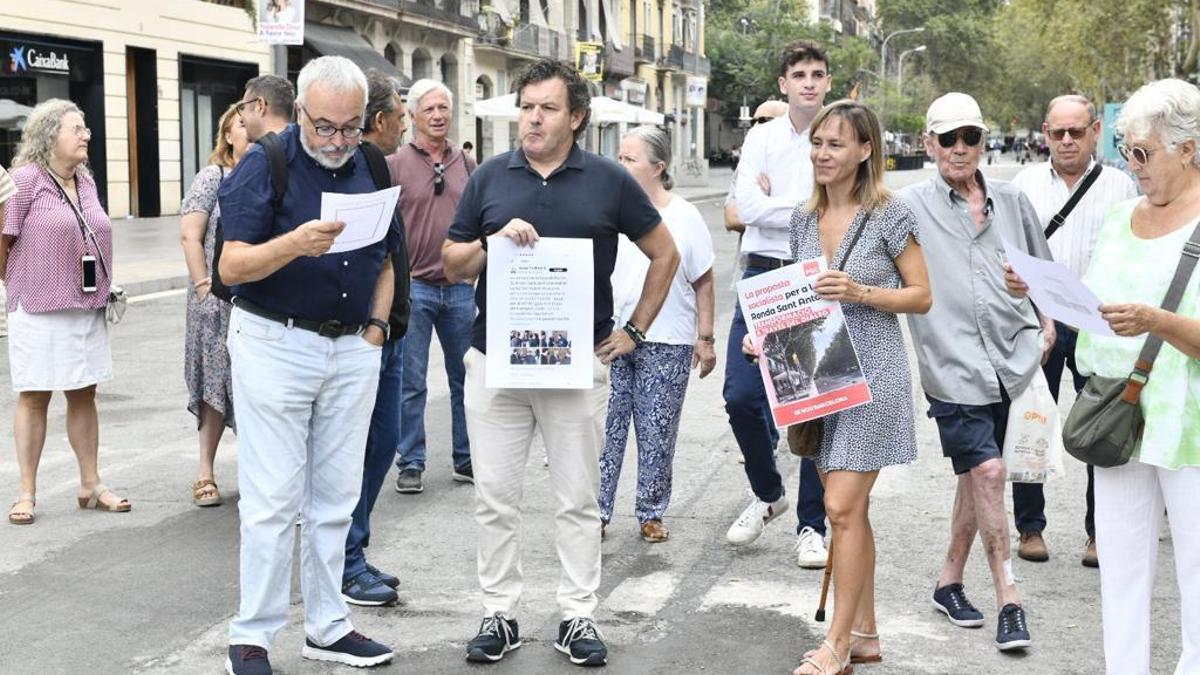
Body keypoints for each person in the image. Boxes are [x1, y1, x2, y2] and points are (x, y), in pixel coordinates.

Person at [442, 58, 679, 667]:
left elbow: (665, 253)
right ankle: (500, 613)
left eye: (547, 108)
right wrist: (490, 245)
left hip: (575, 366)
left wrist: (634, 330)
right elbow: (451, 262)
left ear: (575, 117)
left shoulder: (608, 180)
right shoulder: (490, 176)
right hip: (495, 363)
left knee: (577, 499)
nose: (533, 119)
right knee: (495, 496)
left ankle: (578, 616)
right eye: (526, 107)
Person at [1009, 78, 1200, 675]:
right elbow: (1092, 308)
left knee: (1195, 576)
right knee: (1120, 573)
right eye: (1127, 152)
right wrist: (1039, 288)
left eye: (1143, 153)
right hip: (1117, 412)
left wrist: (1159, 321)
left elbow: (1161, 322)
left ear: (1189, 148)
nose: (1131, 165)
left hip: (1186, 427)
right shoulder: (1120, 219)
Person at [217, 56, 398, 675]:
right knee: (272, 499)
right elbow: (230, 268)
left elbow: (388, 257)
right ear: (299, 114)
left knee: (335, 498)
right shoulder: (263, 164)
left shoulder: (370, 162)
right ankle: (253, 636)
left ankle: (328, 626)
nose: (339, 142)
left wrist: (376, 329)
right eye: (326, 127)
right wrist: (295, 243)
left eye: (351, 128)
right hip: (276, 341)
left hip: (351, 347)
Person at [744, 99, 931, 675]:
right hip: (818, 375)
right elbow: (798, 298)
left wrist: (860, 292)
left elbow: (921, 296)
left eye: (836, 144)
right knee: (851, 514)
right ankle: (867, 633)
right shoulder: (802, 218)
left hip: (873, 376)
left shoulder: (890, 216)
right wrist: (766, 338)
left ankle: (838, 643)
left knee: (839, 507)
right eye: (818, 143)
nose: (823, 153)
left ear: (865, 151)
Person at [898, 92, 1054, 651]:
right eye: (948, 138)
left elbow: (1042, 275)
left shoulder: (1011, 201)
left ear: (983, 142)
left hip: (1013, 361)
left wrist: (1043, 314)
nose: (959, 149)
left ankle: (948, 582)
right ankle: (1009, 597)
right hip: (951, 365)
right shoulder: (906, 206)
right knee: (988, 473)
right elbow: (850, 260)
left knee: (974, 476)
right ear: (928, 143)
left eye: (970, 138)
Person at [1010, 94, 1139, 567]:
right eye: (1057, 132)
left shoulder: (1121, 188)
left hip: (1098, 325)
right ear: (1044, 132)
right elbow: (1006, 249)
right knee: (1030, 423)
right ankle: (1029, 527)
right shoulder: (1023, 184)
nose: (1066, 140)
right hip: (1036, 322)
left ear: (1095, 130)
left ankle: (1098, 533)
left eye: (1076, 131)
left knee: (1101, 429)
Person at [725, 41, 832, 570]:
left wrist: (774, 206)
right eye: (798, 74)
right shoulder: (762, 137)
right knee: (741, 397)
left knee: (810, 406)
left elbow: (836, 211)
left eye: (817, 74)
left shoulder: (839, 137)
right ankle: (769, 493)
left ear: (828, 82)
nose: (808, 82)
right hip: (761, 272)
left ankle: (812, 525)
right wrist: (805, 206)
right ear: (784, 83)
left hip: (810, 274)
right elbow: (745, 207)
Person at [3, 99, 131, 526]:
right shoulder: (24, 181)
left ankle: (90, 484)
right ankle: (27, 492)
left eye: (86, 128)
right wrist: (18, 284)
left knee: (84, 394)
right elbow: (2, 242)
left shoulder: (86, 181)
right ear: (48, 136)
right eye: (76, 128)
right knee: (35, 395)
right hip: (38, 306)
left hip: (84, 305)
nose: (85, 135)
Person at [600, 125, 717, 543]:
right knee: (604, 430)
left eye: (630, 159)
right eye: (621, 157)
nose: (621, 165)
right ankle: (597, 510)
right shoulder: (608, 209)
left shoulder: (684, 215)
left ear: (658, 167)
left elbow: (703, 279)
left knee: (657, 432)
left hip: (667, 340)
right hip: (610, 338)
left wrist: (705, 338)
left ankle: (650, 511)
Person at [341, 68, 410, 607]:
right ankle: (345, 563)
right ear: (381, 119)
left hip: (388, 331)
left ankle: (355, 552)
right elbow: (365, 255)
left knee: (382, 443)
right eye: (402, 115)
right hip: (368, 334)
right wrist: (372, 329)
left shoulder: (376, 164)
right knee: (357, 452)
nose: (407, 125)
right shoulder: (357, 163)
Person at [389, 78, 478, 495]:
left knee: (467, 378)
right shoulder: (395, 165)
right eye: (429, 109)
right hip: (415, 288)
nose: (438, 115)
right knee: (411, 381)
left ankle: (465, 458)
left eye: (444, 108)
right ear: (412, 116)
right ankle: (412, 461)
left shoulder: (466, 163)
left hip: (460, 287)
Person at [179, 103, 249, 508]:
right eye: (241, 125)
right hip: (214, 300)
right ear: (227, 136)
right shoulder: (213, 176)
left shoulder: (267, 174)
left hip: (252, 298)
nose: (249, 130)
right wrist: (203, 285)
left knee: (248, 384)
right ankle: (205, 470)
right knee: (213, 384)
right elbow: (191, 235)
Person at [233, 75, 293, 143]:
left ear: (260, 106)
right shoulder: (304, 147)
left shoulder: (257, 152)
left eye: (243, 107)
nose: (241, 119)